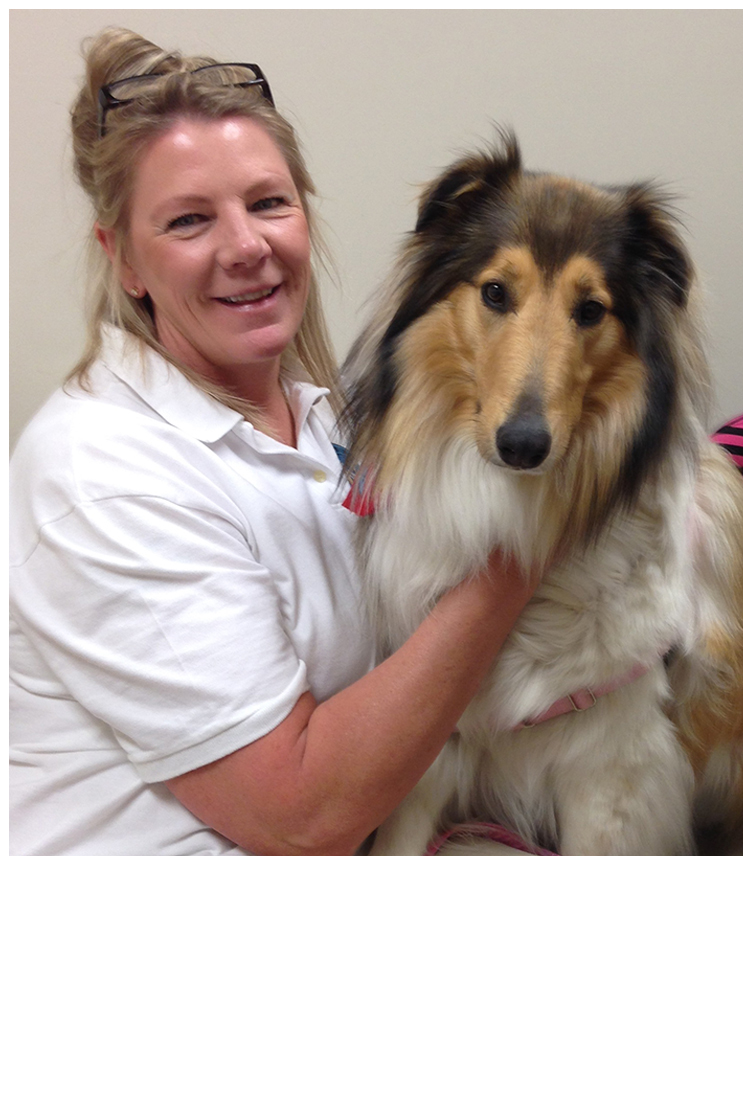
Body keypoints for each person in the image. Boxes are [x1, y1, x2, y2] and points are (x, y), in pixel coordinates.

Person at [9, 28, 548, 856]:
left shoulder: (329, 420)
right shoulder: (102, 469)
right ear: (123, 261)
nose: (248, 247)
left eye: (268, 203)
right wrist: (525, 548)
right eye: (190, 221)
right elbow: (297, 815)